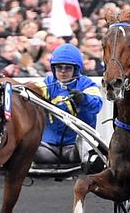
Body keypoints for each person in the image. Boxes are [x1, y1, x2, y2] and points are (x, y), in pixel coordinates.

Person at [34, 43, 104, 172]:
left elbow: (97, 105)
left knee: (86, 143)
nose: (62, 72)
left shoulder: (87, 84)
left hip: (75, 148)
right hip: (47, 149)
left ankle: (92, 167)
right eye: (59, 67)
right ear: (53, 68)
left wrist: (83, 98)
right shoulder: (47, 83)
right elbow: (33, 92)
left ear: (76, 69)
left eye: (67, 68)